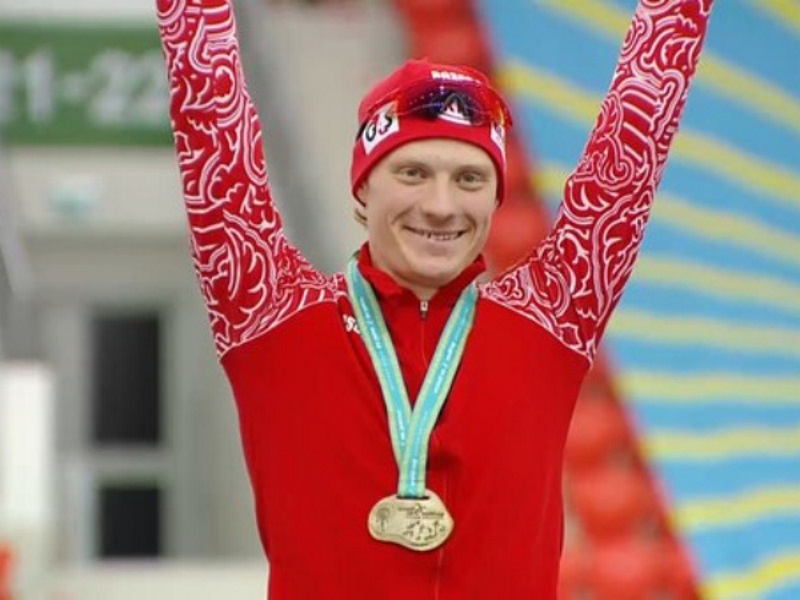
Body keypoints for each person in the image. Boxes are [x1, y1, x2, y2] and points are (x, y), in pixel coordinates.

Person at [157, 0, 713, 597]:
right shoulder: (271, 318)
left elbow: (633, 144)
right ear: (363, 187)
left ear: (496, 198)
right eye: (413, 173)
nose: (441, 206)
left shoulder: (551, 323)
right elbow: (209, 116)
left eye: (469, 179)